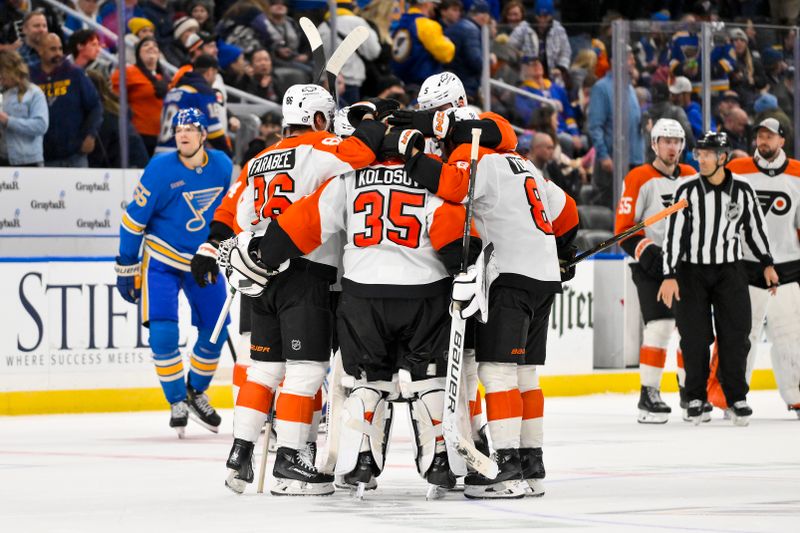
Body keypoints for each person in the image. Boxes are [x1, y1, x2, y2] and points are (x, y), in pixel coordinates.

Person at [252, 121, 480, 497]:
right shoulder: (428, 178)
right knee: (430, 381)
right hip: (425, 294)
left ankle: (360, 461)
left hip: (362, 297)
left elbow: (306, 221)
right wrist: (466, 262)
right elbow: (453, 238)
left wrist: (266, 251)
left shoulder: (349, 180)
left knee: (367, 381)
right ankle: (441, 460)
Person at [396, 106, 579, 498]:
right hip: (543, 279)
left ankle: (507, 466)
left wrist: (412, 157)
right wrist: (564, 251)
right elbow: (568, 213)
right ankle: (533, 463)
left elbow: (450, 186)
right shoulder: (527, 166)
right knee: (526, 374)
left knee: (497, 374)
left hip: (508, 277)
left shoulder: (487, 164)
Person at [221, 85, 386, 496]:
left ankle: (241, 452)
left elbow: (241, 214)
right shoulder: (319, 145)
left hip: (261, 272)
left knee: (263, 369)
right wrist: (366, 119)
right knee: (307, 369)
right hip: (305, 269)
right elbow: (361, 153)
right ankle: (291, 456)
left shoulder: (258, 159)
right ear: (318, 120)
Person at [115, 107, 233, 437]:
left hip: (202, 260)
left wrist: (226, 248)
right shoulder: (159, 169)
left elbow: (227, 213)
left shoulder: (222, 165)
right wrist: (127, 264)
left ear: (203, 134)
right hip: (162, 259)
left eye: (190, 129)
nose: (182, 134)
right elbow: (133, 220)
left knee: (216, 330)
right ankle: (177, 400)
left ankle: (196, 391)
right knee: (163, 334)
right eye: (178, 129)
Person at [658, 131, 779, 426]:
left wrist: (767, 263)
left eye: (707, 154)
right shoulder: (687, 191)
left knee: (736, 337)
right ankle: (696, 396)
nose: (701, 159)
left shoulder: (743, 189)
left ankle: (737, 397)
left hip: (730, 271)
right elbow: (674, 235)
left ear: (722, 158)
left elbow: (755, 228)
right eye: (699, 154)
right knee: (696, 338)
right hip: (692, 271)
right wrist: (669, 274)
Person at [614, 119, 697, 424]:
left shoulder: (691, 175)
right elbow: (624, 230)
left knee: (691, 330)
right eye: (665, 141)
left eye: (676, 141)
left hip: (685, 266)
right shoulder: (639, 177)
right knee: (660, 326)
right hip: (650, 265)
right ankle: (648, 395)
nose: (671, 147)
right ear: (654, 144)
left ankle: (691, 392)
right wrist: (659, 261)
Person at [726, 119, 800, 417]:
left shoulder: (797, 173)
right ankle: (735, 396)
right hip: (746, 263)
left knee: (790, 334)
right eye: (759, 135)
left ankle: (795, 395)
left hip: (789, 264)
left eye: (769, 136)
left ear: (782, 140)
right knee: (743, 333)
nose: (763, 140)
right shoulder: (737, 170)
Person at [30, 33, 102, 168]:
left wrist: (91, 134)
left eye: (60, 48)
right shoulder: (29, 75)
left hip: (75, 155)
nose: (58, 53)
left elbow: (95, 106)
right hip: (43, 156)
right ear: (40, 50)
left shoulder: (74, 73)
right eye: (52, 49)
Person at [587, 46, 644, 208]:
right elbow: (595, 126)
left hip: (633, 160)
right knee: (611, 211)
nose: (633, 61)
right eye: (629, 58)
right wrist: (604, 156)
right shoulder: (601, 87)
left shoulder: (629, 87)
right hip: (612, 163)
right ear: (615, 61)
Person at [156, 54, 230, 157]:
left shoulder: (174, 91)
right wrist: (228, 154)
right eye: (215, 74)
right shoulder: (202, 92)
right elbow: (215, 134)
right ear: (210, 72)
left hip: (159, 154)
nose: (214, 80)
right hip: (180, 156)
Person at [112, 37, 170, 156]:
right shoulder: (128, 72)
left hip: (163, 137)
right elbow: (114, 100)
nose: (151, 47)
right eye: (145, 45)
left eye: (155, 45)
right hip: (138, 135)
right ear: (138, 53)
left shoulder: (165, 78)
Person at [318, 0, 381, 105]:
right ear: (351, 5)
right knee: (350, 119)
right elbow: (374, 52)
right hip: (351, 82)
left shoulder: (322, 27)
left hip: (327, 83)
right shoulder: (357, 23)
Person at [85, 69, 149, 168]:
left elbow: (97, 156)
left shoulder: (103, 114)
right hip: (134, 164)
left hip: (127, 168)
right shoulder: (113, 107)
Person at [0, 49, 48, 167]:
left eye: (1, 71)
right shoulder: (2, 94)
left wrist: (8, 121)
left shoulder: (34, 93)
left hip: (28, 161)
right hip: (3, 159)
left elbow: (41, 125)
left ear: (10, 70)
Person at [390, 0, 455, 86]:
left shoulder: (401, 22)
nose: (435, 7)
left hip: (401, 82)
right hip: (422, 85)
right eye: (433, 3)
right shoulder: (427, 25)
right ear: (426, 3)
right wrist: (447, 41)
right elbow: (446, 54)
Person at [443, 0, 487, 101]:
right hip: (465, 85)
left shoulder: (455, 26)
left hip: (451, 82)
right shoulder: (471, 30)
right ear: (484, 16)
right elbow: (476, 62)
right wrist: (489, 60)